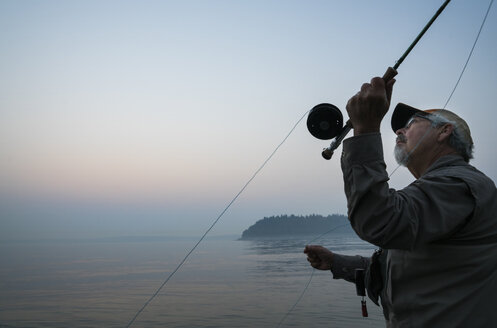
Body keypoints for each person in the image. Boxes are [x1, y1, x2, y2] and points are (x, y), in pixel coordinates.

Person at [304, 77, 497, 327]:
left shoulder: (460, 186)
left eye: (411, 123)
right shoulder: (440, 190)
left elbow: (379, 222)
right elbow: (398, 267)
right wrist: (337, 263)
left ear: (444, 131)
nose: (399, 131)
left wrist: (366, 130)